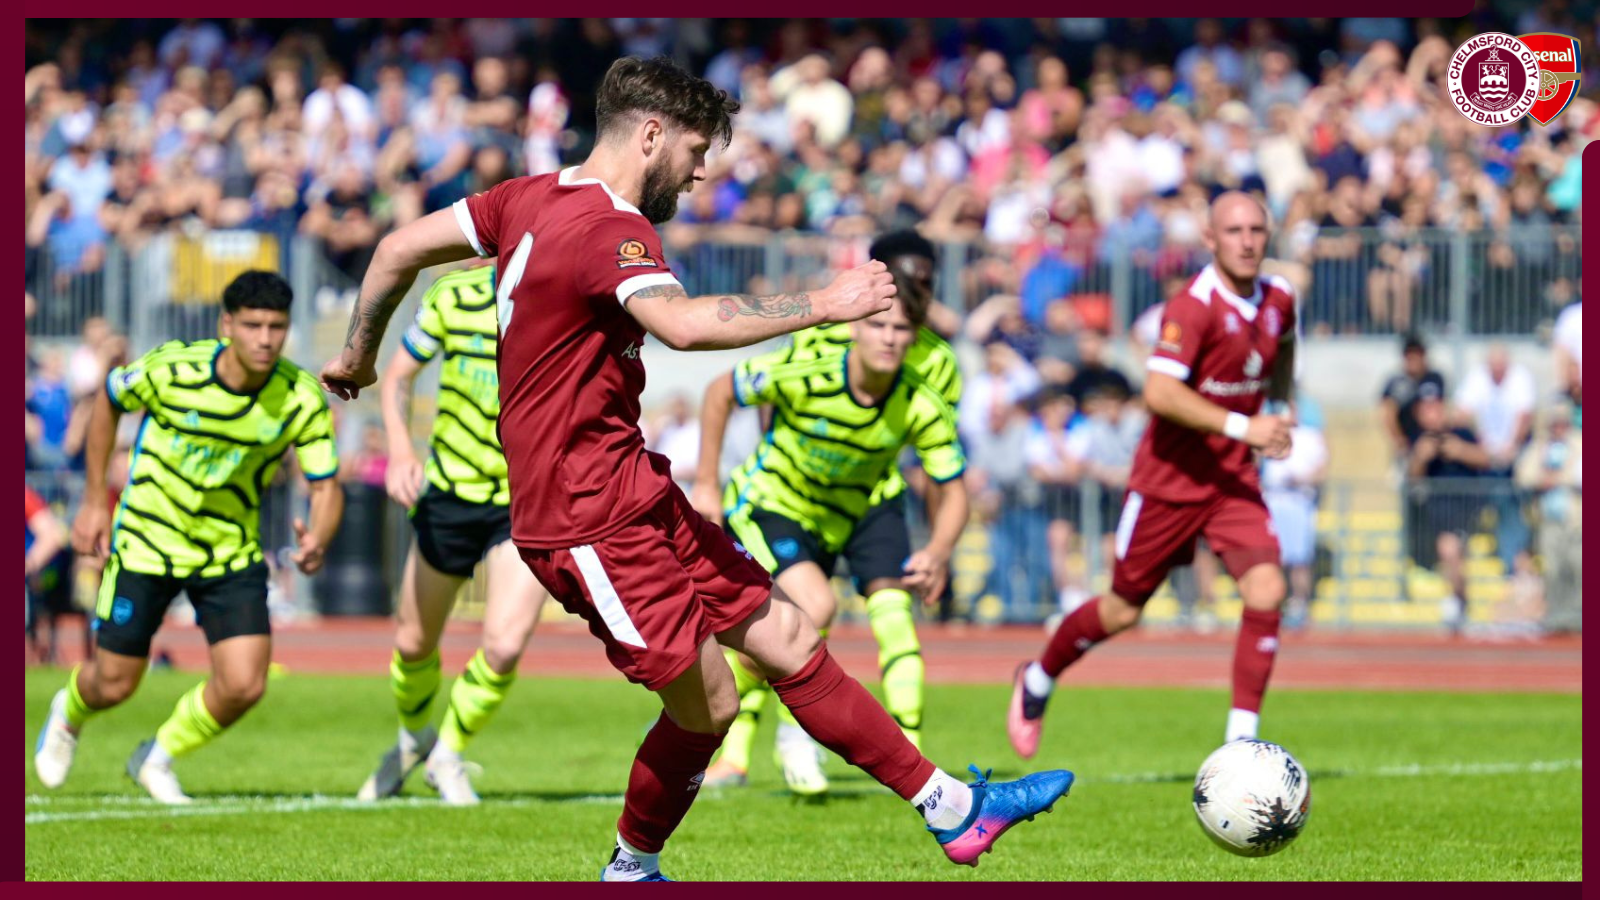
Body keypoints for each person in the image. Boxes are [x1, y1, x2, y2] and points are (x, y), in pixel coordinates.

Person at [319, 56, 1072, 881]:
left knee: (786, 633)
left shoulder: (526, 198)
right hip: (584, 519)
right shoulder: (614, 228)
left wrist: (358, 355)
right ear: (649, 134)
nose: (702, 168)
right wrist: (824, 302)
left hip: (634, 490)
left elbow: (395, 248)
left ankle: (954, 812)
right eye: (695, 148)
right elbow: (679, 324)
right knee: (709, 704)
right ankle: (629, 868)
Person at [35, 271, 344, 804]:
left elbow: (326, 485)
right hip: (146, 541)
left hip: (228, 550)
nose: (266, 339)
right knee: (114, 683)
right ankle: (68, 714)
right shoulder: (174, 369)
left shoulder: (299, 397)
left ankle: (157, 756)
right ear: (227, 325)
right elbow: (109, 400)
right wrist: (91, 501)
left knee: (246, 683)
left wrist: (319, 535)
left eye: (276, 327)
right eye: (253, 325)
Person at [1008, 192, 1298, 758]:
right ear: (1210, 240)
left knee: (1268, 588)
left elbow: (1284, 351)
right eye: (1233, 230)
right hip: (1169, 482)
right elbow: (1160, 393)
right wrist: (1246, 428)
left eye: (1256, 230)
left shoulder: (1280, 297)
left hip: (1231, 480)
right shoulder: (1193, 307)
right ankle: (1038, 678)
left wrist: (1279, 409)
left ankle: (1241, 744)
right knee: (1122, 609)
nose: (1246, 240)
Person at [691, 230, 967, 796]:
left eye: (905, 320)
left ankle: (909, 760)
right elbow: (729, 391)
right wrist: (705, 485)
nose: (891, 333)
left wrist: (937, 550)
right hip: (778, 500)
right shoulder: (815, 357)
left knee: (891, 618)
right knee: (810, 609)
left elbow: (947, 475)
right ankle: (751, 741)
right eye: (882, 319)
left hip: (865, 502)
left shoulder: (931, 380)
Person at [356, 260, 552, 806]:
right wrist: (399, 449)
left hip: (525, 499)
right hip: (450, 492)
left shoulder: (563, 291)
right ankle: (414, 739)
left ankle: (447, 754)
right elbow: (397, 375)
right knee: (414, 641)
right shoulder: (453, 295)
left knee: (506, 644)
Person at [1405, 392, 1491, 635]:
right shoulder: (1418, 440)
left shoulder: (1462, 433)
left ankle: (1458, 602)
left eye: (1435, 408)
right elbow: (1412, 479)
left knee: (1450, 550)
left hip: (1464, 508)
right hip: (1434, 511)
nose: (1431, 414)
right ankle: (1458, 601)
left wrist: (1460, 451)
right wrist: (1421, 457)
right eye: (1425, 410)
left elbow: (1486, 459)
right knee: (1449, 552)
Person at [1261, 399, 1329, 630]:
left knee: (1300, 560)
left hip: (1298, 501)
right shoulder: (1267, 434)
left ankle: (1300, 603)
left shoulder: (1310, 436)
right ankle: (1274, 603)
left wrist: (1302, 479)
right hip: (1273, 500)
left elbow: (1322, 469)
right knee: (1273, 558)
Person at [1514, 403, 1581, 634]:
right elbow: (1524, 475)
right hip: (1548, 520)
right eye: (1555, 422)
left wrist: (1557, 478)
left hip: (1575, 521)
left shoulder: (1579, 444)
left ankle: (1578, 618)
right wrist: (1545, 478)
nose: (1559, 427)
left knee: (1578, 567)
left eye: (1563, 422)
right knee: (1552, 569)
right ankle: (1557, 618)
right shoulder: (1540, 446)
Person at [1379, 335, 1445, 463]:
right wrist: (1400, 441)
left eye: (1416, 354)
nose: (1413, 359)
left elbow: (1440, 410)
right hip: (1407, 445)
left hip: (1430, 443)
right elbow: (1388, 413)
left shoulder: (1434, 379)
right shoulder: (1397, 383)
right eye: (1409, 355)